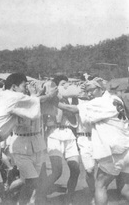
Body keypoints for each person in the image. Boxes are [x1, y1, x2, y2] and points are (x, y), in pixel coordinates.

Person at [0, 73, 56, 205]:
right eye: (24, 86)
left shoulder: (6, 96)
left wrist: (37, 94)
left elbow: (32, 102)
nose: (26, 88)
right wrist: (49, 95)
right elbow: (36, 101)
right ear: (14, 87)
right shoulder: (12, 96)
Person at [57, 78, 129, 205]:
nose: (89, 93)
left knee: (100, 185)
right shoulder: (115, 99)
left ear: (101, 89)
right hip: (126, 147)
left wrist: (52, 101)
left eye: (92, 90)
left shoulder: (101, 102)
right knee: (125, 189)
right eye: (87, 91)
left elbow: (73, 109)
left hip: (116, 151)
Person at [40, 75, 80, 204]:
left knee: (76, 169)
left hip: (68, 134)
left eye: (67, 84)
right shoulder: (49, 99)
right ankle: (40, 194)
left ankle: (70, 197)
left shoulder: (70, 99)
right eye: (63, 84)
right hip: (54, 134)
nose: (66, 86)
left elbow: (73, 116)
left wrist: (65, 100)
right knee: (57, 171)